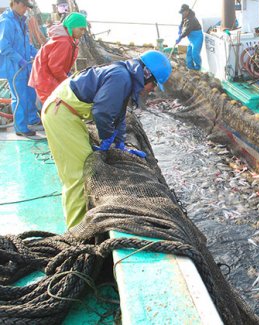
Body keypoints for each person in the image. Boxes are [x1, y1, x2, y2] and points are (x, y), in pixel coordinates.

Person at [41, 50, 172, 228]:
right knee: (80, 175)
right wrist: (106, 137)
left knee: (86, 167)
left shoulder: (125, 76)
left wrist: (119, 143)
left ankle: (82, 221)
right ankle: (75, 230)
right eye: (154, 84)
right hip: (61, 113)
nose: (153, 89)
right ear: (147, 74)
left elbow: (118, 114)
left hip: (68, 113)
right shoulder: (121, 77)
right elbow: (101, 112)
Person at [0, 0, 41, 137]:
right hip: (15, 68)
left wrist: (40, 54)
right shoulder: (7, 22)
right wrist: (20, 60)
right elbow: (4, 46)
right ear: (15, 3)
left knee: (30, 93)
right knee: (19, 97)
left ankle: (32, 120)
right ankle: (20, 127)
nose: (25, 9)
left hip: (26, 67)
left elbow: (27, 45)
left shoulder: (22, 22)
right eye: (23, 5)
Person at [29, 12, 87, 104]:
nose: (82, 32)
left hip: (45, 77)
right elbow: (55, 67)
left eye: (84, 30)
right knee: (54, 108)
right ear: (71, 26)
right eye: (81, 29)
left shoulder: (67, 38)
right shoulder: (64, 42)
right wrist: (67, 82)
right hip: (46, 80)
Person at [176, 3, 203, 70]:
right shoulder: (184, 15)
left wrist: (180, 37)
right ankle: (190, 67)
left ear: (187, 11)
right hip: (191, 38)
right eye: (181, 12)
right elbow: (182, 22)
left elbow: (187, 31)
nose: (182, 14)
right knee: (189, 53)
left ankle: (198, 68)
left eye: (183, 12)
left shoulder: (191, 19)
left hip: (197, 37)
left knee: (195, 53)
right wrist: (180, 27)